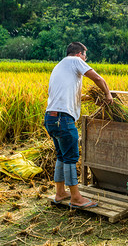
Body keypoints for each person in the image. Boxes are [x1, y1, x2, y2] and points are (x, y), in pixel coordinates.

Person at [44, 42, 113, 208]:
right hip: (63, 120)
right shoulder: (75, 61)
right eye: (85, 56)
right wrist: (108, 94)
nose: (85, 59)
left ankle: (60, 193)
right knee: (71, 157)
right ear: (79, 54)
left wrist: (89, 98)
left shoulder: (59, 66)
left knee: (62, 156)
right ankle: (75, 197)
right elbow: (97, 78)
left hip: (51, 118)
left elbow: (64, 94)